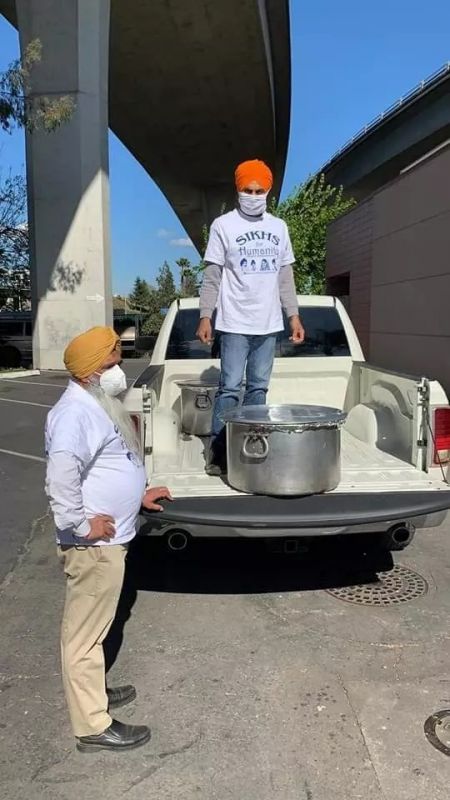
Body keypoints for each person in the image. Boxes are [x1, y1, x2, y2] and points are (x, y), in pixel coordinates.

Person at [45, 326, 171, 753]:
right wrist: (81, 527)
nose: (119, 371)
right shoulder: (73, 414)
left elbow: (104, 467)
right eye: (111, 364)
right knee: (84, 635)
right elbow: (62, 474)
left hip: (109, 541)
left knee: (97, 628)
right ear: (88, 371)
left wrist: (137, 495)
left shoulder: (95, 403)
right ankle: (92, 726)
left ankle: (93, 693)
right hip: (94, 548)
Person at [197, 158, 305, 474]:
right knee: (230, 388)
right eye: (248, 189)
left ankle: (254, 447)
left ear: (268, 191)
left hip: (269, 324)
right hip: (233, 323)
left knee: (258, 389)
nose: (254, 195)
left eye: (259, 190)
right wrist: (206, 315)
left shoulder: (278, 227)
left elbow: (285, 277)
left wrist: (294, 316)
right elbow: (213, 275)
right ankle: (218, 451)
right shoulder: (223, 226)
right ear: (238, 190)